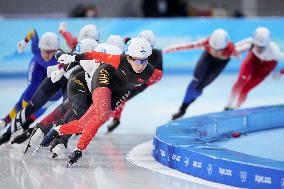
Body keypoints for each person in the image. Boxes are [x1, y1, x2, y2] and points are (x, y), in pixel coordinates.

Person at [39, 38, 163, 167]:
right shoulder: (118, 59)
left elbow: (158, 75)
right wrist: (71, 58)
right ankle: (80, 148)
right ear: (128, 57)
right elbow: (94, 55)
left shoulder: (152, 73)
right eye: (137, 60)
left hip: (120, 91)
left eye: (144, 61)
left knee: (84, 124)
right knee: (102, 113)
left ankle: (59, 130)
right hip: (104, 78)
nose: (141, 65)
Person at [0, 39, 98, 146]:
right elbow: (66, 61)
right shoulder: (82, 51)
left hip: (71, 82)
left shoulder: (96, 58)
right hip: (63, 79)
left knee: (67, 112)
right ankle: (9, 133)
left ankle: (43, 133)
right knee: (35, 107)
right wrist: (59, 69)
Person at [163, 28, 239, 120]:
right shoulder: (206, 42)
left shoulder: (232, 49)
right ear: (209, 44)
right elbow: (185, 46)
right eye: (214, 48)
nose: (216, 52)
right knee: (195, 82)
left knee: (199, 88)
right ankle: (182, 109)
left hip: (219, 65)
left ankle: (186, 105)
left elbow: (245, 48)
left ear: (226, 47)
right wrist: (162, 51)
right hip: (207, 58)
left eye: (220, 50)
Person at [0, 29, 61, 130]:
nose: (46, 55)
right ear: (39, 48)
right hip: (38, 66)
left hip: (54, 71)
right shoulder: (35, 48)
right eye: (44, 51)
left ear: (56, 50)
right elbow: (32, 32)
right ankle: (6, 120)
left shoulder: (61, 59)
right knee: (31, 89)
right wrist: (24, 42)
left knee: (50, 98)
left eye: (50, 52)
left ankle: (27, 121)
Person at [107, 30, 163, 133]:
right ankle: (112, 118)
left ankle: (111, 118)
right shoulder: (132, 43)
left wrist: (143, 82)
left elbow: (157, 77)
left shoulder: (156, 55)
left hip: (138, 83)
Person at [225, 27, 284, 109]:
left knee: (246, 89)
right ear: (254, 42)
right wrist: (235, 53)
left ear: (267, 44)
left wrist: (281, 73)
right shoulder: (250, 42)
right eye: (257, 46)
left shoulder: (274, 52)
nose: (259, 49)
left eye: (262, 47)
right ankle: (229, 104)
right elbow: (233, 48)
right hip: (253, 59)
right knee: (241, 80)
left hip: (267, 66)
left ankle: (236, 107)